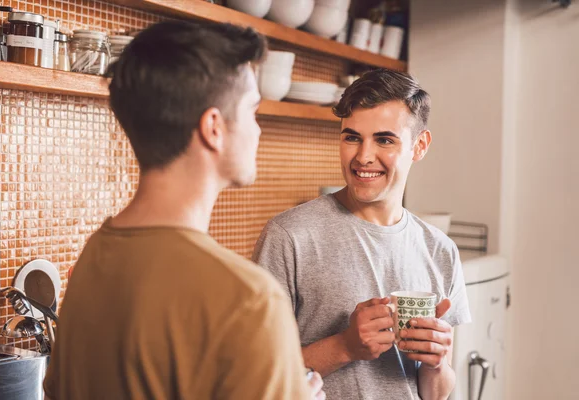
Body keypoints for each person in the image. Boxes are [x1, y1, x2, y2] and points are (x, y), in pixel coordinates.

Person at [43, 20, 325, 400]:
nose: (258, 130)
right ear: (213, 128)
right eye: (252, 112)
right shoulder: (248, 300)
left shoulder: (92, 259)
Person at [253, 68, 471, 400]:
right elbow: (257, 375)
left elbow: (437, 393)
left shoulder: (440, 249)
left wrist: (437, 365)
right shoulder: (288, 236)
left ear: (419, 146)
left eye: (384, 139)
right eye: (352, 137)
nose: (363, 157)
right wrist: (345, 346)